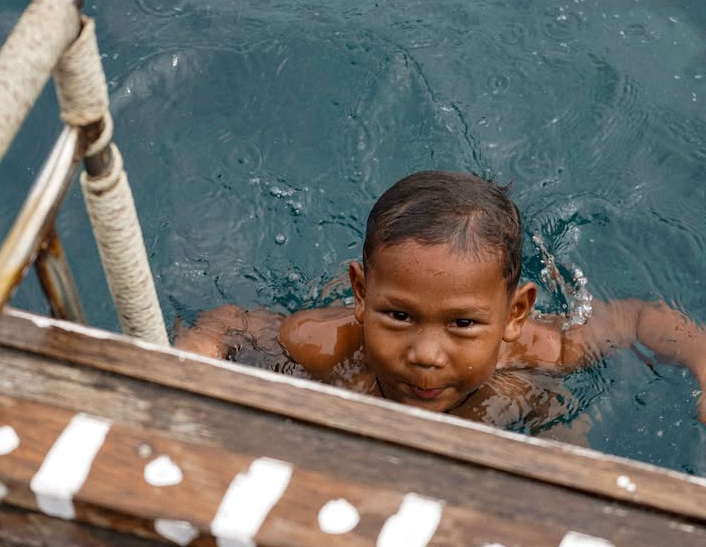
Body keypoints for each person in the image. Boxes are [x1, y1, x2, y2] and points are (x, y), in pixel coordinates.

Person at [174, 170, 706, 430]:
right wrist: (199, 349)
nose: (426, 354)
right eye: (399, 316)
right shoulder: (325, 345)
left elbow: (636, 318)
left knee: (563, 429)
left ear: (515, 314)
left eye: (463, 325)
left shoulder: (541, 352)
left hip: (523, 403)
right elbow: (232, 324)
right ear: (361, 294)